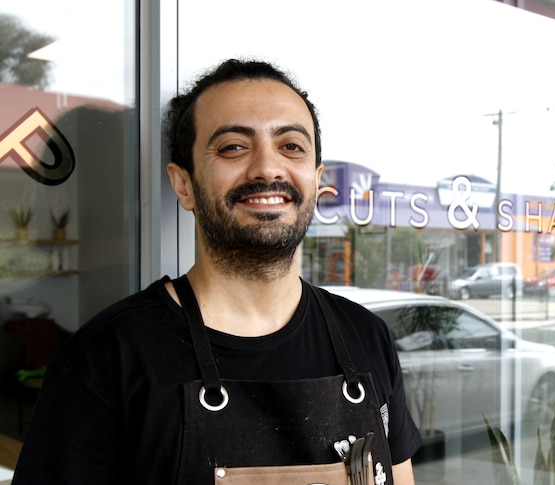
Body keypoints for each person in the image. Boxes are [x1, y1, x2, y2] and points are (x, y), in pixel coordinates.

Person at [13, 59, 422, 484]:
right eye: (232, 147)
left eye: (291, 146)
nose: (267, 167)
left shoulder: (366, 336)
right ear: (183, 184)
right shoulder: (108, 358)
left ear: (316, 182)